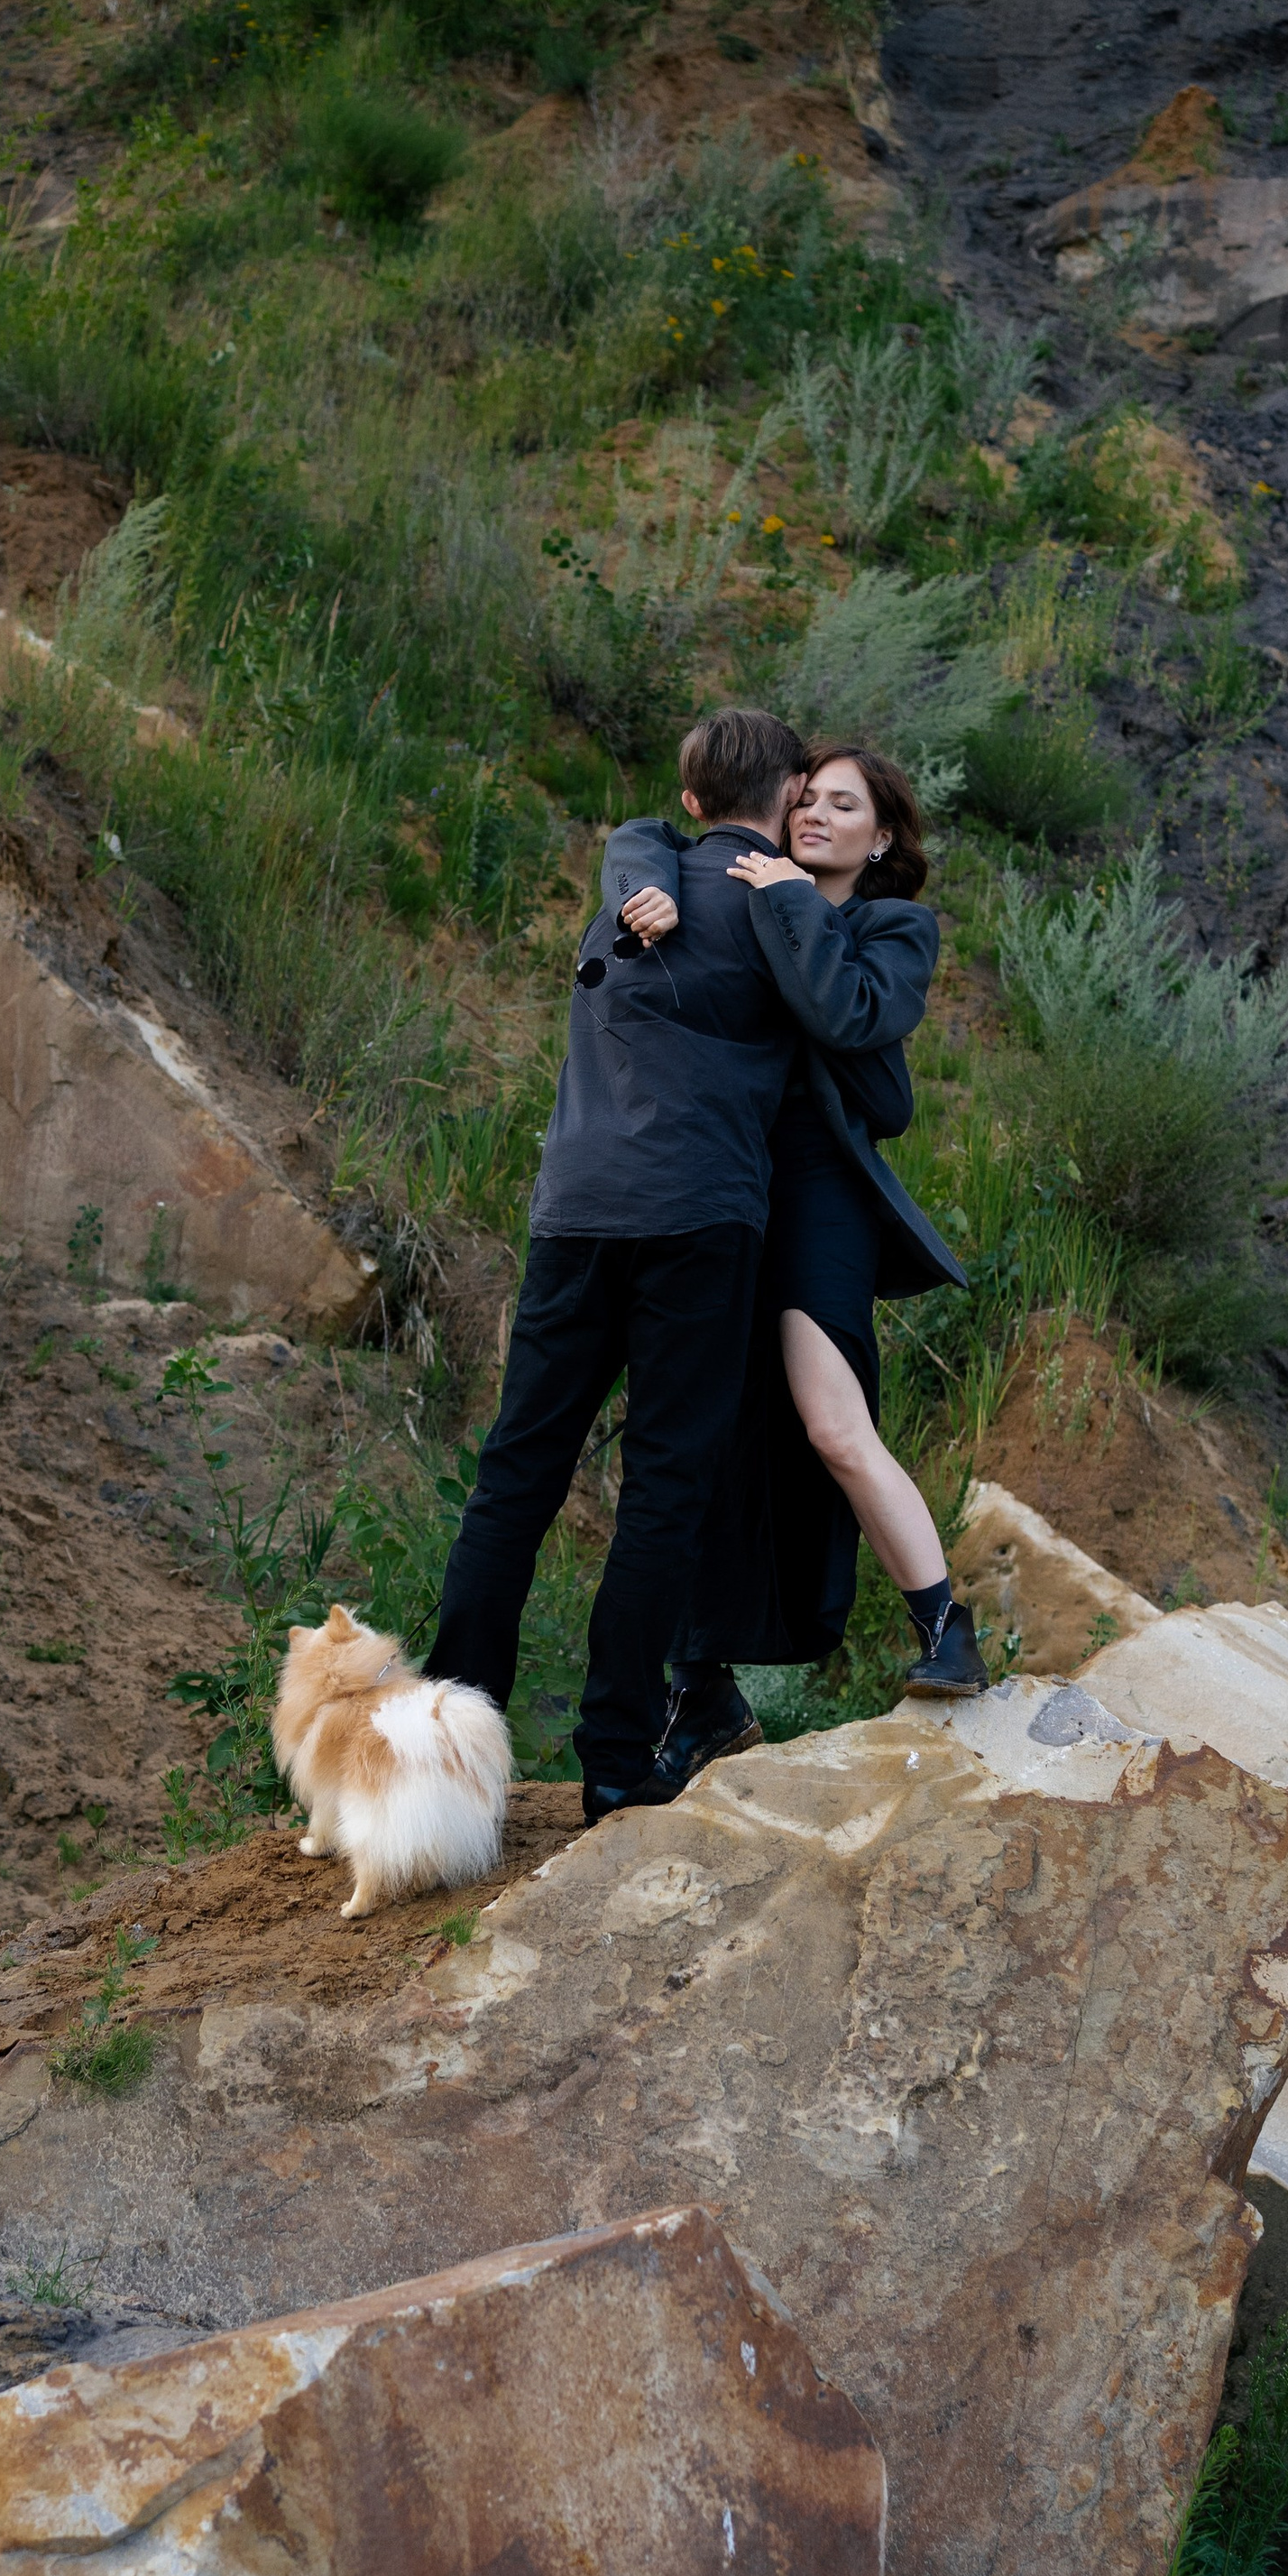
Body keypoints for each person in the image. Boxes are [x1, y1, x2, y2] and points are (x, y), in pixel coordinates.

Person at [424, 706, 904, 1823]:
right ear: (785, 802)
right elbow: (866, 1061)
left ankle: (451, 1762)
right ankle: (613, 1761)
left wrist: (645, 860)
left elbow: (638, 838)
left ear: (689, 802)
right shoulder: (781, 914)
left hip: (576, 1213)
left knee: (514, 1481)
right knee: (663, 1495)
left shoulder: (630, 892)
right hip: (701, 1223)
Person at [602, 743, 988, 1802]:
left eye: (842, 805)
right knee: (699, 1441)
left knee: (829, 1423)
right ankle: (702, 1691)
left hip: (815, 1194)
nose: (815, 816)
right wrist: (646, 877)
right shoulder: (740, 881)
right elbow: (648, 835)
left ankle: (946, 1624)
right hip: (719, 1192)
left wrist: (793, 905)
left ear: (884, 836)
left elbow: (853, 1019)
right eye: (805, 800)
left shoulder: (888, 927)